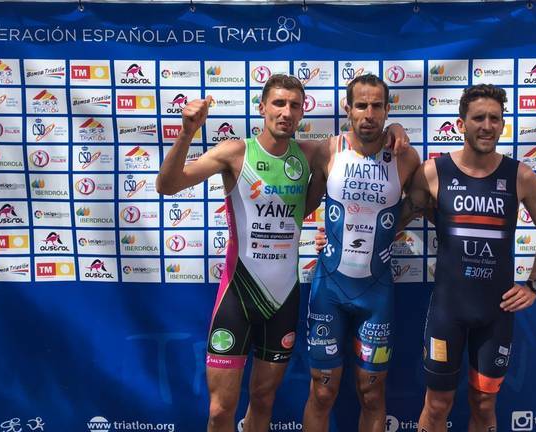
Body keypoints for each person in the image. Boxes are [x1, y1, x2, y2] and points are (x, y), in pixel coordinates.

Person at [156, 74, 409, 432]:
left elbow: (365, 141)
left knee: (263, 400)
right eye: (278, 103)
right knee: (219, 410)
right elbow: (167, 185)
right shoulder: (235, 152)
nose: (286, 112)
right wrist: (186, 133)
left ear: (303, 111)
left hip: (283, 300)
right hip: (236, 297)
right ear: (262, 107)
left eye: (294, 105)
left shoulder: (313, 153)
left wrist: (395, 128)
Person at [400, 84, 536, 432]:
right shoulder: (433, 172)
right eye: (478, 118)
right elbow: (393, 221)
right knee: (437, 404)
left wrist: (534, 284)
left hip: (495, 314)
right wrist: (335, 236)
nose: (487, 126)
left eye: (495, 118)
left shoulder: (521, 176)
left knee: (485, 403)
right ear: (461, 124)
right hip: (447, 313)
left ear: (502, 124)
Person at [302, 74, 421, 432]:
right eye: (361, 105)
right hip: (329, 291)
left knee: (371, 393)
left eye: (376, 106)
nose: (369, 114)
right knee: (322, 392)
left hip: (376, 295)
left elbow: (417, 204)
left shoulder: (405, 156)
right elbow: (302, 205)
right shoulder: (327, 150)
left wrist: (386, 229)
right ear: (348, 109)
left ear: (387, 110)